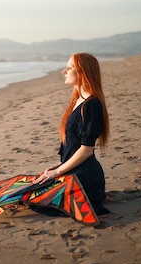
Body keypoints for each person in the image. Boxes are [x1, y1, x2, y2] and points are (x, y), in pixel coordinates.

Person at [34, 52, 110, 215]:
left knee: (39, 200)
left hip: (85, 176)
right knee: (33, 190)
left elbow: (86, 150)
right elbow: (73, 147)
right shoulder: (78, 101)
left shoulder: (91, 105)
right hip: (73, 169)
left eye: (69, 67)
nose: (64, 71)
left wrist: (58, 172)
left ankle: (95, 194)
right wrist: (59, 166)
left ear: (82, 72)